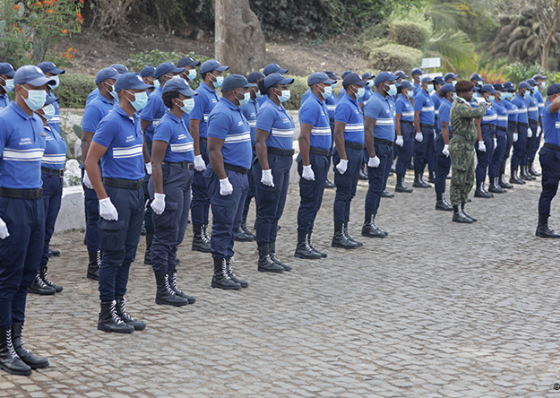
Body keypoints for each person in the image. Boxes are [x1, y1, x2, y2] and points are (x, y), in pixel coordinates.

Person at [85, 72, 153, 334]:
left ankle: (119, 306)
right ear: (126, 94)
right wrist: (103, 198)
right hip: (117, 193)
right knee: (112, 257)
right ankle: (106, 314)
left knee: (127, 256)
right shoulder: (111, 121)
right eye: (141, 91)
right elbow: (92, 161)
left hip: (136, 193)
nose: (145, 95)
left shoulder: (134, 119)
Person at [0, 65, 55, 376]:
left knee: (26, 275)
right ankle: (3, 345)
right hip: (12, 206)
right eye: (37, 87)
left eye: (45, 87)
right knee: (7, 277)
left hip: (36, 204)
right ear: (20, 89)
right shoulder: (4, 120)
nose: (42, 93)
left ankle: (16, 340)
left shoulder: (35, 119)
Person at [148, 79, 198, 306]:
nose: (190, 100)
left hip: (183, 182)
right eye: (186, 96)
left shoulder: (180, 121)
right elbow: (156, 163)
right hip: (170, 182)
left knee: (176, 237)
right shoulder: (166, 124)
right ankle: (162, 290)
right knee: (165, 237)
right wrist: (159, 195)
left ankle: (172, 284)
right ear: (175, 100)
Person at [205, 74, 254, 289]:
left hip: (240, 175)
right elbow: (214, 150)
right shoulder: (222, 113)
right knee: (223, 225)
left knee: (233, 225)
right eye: (245, 89)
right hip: (228, 175)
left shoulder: (236, 110)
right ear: (235, 92)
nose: (249, 93)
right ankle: (219, 274)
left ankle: (227, 268)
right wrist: (223, 179)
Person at [140, 62, 186, 264]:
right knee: (156, 206)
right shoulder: (154, 100)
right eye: (173, 74)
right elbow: (141, 129)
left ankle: (165, 253)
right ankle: (152, 250)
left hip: (171, 156)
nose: (179, 76)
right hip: (158, 155)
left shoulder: (178, 113)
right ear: (164, 78)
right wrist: (148, 159)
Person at [81, 67, 120, 280]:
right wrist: (88, 169)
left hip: (108, 170)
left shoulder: (114, 104)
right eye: (116, 81)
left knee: (106, 219)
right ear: (106, 84)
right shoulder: (95, 105)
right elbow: (86, 139)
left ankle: (105, 258)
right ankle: (94, 264)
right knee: (95, 219)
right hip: (95, 170)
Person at [253, 73, 295, 271]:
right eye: (283, 86)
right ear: (273, 89)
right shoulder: (268, 109)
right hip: (273, 161)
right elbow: (260, 141)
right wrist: (265, 170)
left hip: (284, 161)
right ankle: (263, 259)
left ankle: (271, 253)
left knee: (276, 211)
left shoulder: (279, 107)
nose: (286, 89)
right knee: (267, 210)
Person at [28, 95, 66, 295]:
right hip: (44, 179)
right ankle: (33, 275)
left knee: (48, 230)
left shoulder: (49, 127)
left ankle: (42, 273)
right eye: (47, 104)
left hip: (56, 181)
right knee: (39, 231)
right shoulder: (35, 127)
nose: (52, 107)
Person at [294, 72, 335, 259]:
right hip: (313, 158)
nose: (330, 87)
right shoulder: (311, 104)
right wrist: (307, 165)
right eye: (327, 84)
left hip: (322, 158)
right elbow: (303, 136)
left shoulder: (320, 103)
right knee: (309, 202)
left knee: (315, 202)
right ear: (317, 86)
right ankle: (301, 245)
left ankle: (308, 241)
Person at [189, 59, 229, 253]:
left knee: (208, 191)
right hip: (203, 146)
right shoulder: (200, 94)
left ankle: (204, 231)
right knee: (201, 192)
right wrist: (197, 154)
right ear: (208, 75)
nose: (221, 77)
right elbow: (194, 125)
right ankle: (199, 235)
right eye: (218, 73)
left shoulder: (214, 94)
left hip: (211, 145)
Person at [331, 72, 366, 249]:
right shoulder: (344, 104)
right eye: (359, 86)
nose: (362, 88)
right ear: (351, 87)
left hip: (356, 152)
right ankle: (338, 235)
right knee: (343, 193)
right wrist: (343, 158)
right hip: (348, 152)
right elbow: (338, 133)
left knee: (350, 193)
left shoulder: (354, 103)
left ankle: (344, 231)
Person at [449, 80, 490, 223]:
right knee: (459, 178)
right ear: (462, 93)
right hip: (460, 146)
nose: (472, 93)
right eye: (470, 91)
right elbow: (478, 113)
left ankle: (462, 208)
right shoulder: (459, 106)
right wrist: (482, 103)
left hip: (467, 146)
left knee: (468, 178)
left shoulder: (464, 105)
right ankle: (456, 212)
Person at [362, 71, 397, 238]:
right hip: (379, 148)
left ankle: (373, 221)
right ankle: (368, 224)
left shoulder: (388, 100)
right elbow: (368, 129)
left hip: (388, 148)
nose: (395, 86)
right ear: (383, 84)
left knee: (380, 186)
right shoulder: (374, 102)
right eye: (392, 83)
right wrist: (372, 155)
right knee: (375, 186)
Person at [238, 71, 264, 242]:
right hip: (247, 152)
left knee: (251, 191)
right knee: (245, 192)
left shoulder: (257, 103)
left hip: (256, 153)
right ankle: (238, 224)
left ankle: (243, 224)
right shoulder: (244, 105)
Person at [536, 83, 560, 238]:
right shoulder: (548, 111)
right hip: (551, 154)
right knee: (549, 190)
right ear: (553, 96)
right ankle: (542, 227)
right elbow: (556, 104)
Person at [473, 84, 498, 198]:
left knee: (487, 161)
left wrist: (494, 137)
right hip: (483, 133)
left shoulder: (488, 105)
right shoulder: (480, 104)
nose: (493, 95)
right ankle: (479, 188)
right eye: (491, 94)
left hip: (490, 133)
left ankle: (483, 186)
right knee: (482, 162)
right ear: (484, 94)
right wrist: (480, 141)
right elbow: (477, 124)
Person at [433, 83, 455, 211]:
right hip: (444, 139)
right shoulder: (445, 106)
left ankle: (443, 199)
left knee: (445, 171)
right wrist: (446, 145)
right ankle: (440, 200)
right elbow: (445, 127)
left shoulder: (450, 105)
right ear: (449, 93)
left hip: (449, 138)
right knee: (441, 172)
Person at [413, 76, 436, 188]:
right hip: (423, 128)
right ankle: (417, 178)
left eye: (432, 82)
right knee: (420, 153)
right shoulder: (420, 96)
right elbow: (416, 115)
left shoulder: (429, 96)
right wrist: (418, 131)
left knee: (427, 154)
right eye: (428, 83)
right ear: (423, 84)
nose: (431, 84)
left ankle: (421, 177)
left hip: (430, 128)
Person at [487, 83, 509, 194]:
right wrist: (494, 136)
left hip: (503, 131)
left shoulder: (500, 104)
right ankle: (493, 183)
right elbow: (493, 121)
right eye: (500, 91)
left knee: (500, 158)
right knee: (495, 159)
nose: (502, 93)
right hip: (498, 131)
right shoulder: (494, 104)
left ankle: (497, 181)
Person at [394, 80, 415, 193]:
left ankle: (403, 180)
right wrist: (399, 135)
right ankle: (399, 183)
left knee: (407, 155)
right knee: (402, 157)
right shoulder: (400, 101)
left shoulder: (407, 100)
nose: (411, 91)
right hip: (404, 128)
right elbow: (397, 119)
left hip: (410, 128)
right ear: (403, 90)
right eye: (409, 89)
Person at [510, 81, 532, 184]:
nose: (528, 91)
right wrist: (515, 131)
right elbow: (515, 118)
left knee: (523, 150)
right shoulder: (516, 100)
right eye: (527, 89)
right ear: (522, 89)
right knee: (517, 151)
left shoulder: (523, 100)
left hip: (524, 126)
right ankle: (513, 175)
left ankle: (520, 172)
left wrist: (528, 128)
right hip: (518, 127)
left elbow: (525, 115)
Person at [499, 81, 518, 188]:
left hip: (510, 128)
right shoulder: (503, 102)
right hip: (505, 128)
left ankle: (501, 178)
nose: (510, 93)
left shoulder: (508, 102)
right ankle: (499, 179)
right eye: (508, 91)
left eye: (511, 91)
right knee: (502, 155)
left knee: (506, 154)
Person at [37, 62, 64, 135]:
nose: (56, 77)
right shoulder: (36, 98)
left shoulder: (52, 97)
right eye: (53, 75)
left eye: (56, 75)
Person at [530, 73, 547, 177]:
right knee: (533, 144)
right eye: (541, 80)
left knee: (535, 144)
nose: (543, 82)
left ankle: (530, 166)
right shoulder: (536, 93)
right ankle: (528, 167)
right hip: (537, 120)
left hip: (540, 119)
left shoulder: (539, 93)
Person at [524, 78, 540, 181]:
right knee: (527, 147)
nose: (535, 87)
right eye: (533, 85)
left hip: (535, 123)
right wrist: (528, 127)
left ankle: (529, 167)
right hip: (530, 123)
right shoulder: (527, 98)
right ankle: (524, 170)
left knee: (533, 146)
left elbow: (537, 113)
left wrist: (538, 125)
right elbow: (526, 114)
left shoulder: (533, 97)